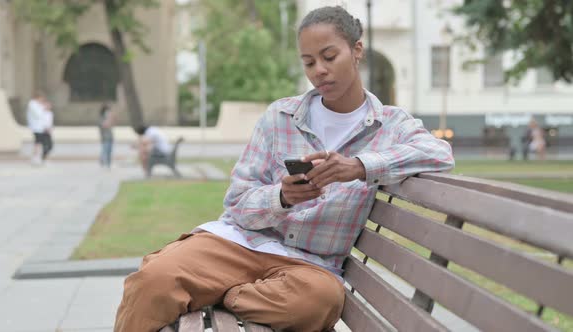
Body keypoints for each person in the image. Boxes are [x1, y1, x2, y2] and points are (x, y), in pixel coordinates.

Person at [114, 6, 454, 332]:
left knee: (320, 302)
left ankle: (228, 294)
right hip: (239, 244)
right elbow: (236, 203)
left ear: (356, 50)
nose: (318, 70)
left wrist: (358, 166)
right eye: (308, 62)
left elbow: (439, 154)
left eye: (329, 56)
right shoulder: (280, 117)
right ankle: (231, 289)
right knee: (152, 280)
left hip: (307, 267)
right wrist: (281, 197)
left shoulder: (391, 124)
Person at [26, 91, 51, 165]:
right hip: (37, 128)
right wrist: (44, 107)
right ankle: (35, 158)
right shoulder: (32, 104)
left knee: (40, 143)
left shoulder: (37, 104)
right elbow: (39, 115)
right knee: (38, 143)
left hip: (40, 127)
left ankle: (38, 158)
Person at [98, 103, 115, 168]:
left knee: (109, 151)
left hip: (110, 136)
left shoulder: (108, 117)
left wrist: (112, 117)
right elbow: (105, 125)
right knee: (105, 150)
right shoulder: (101, 118)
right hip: (105, 137)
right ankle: (103, 162)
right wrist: (109, 118)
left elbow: (112, 124)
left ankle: (108, 163)